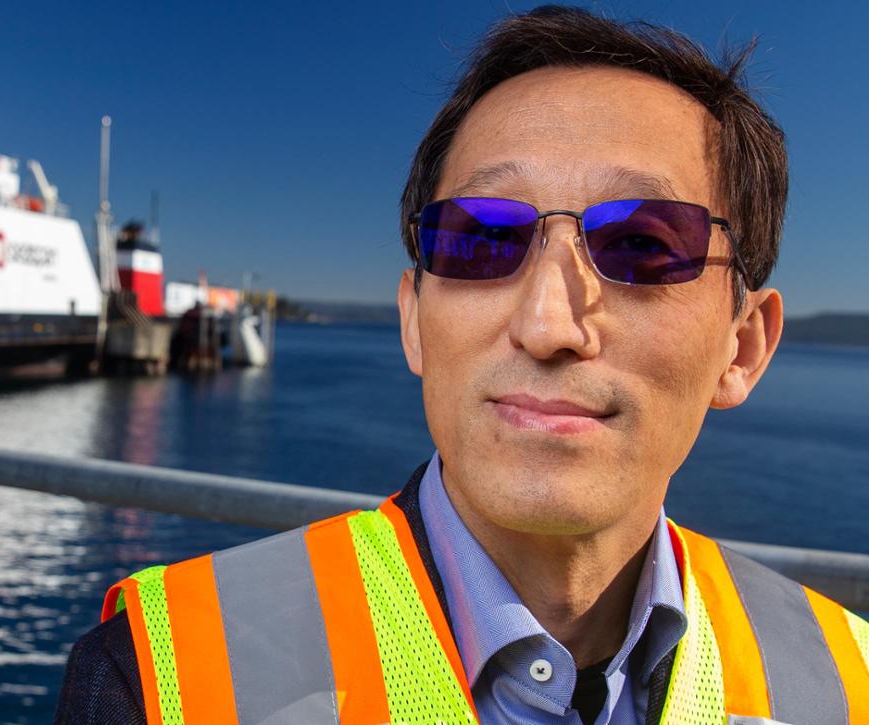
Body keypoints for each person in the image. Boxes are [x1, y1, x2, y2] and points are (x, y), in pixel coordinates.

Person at [55, 6, 869, 724]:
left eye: (643, 246)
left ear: (744, 345)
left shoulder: (848, 681)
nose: (550, 323)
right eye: (481, 240)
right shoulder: (161, 682)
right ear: (413, 320)